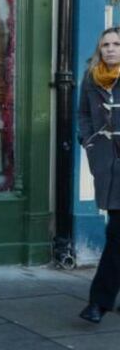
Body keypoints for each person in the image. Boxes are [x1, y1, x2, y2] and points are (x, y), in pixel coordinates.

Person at [78, 26, 120, 324]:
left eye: (117, 44)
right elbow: (82, 114)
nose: (110, 49)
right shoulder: (91, 78)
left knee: (116, 234)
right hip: (108, 163)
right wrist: (88, 140)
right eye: (105, 44)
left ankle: (99, 303)